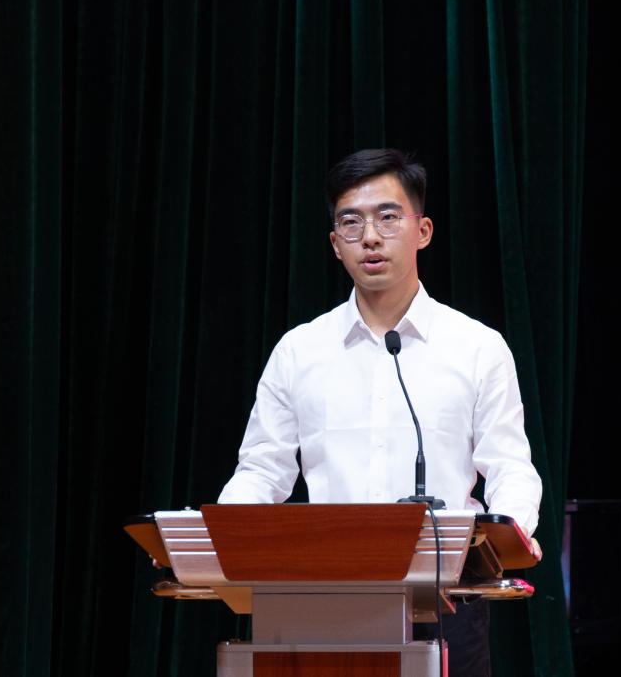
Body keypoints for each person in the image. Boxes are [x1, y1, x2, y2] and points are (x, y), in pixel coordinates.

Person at [218, 148, 543, 676]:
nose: (370, 236)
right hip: (322, 596)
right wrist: (213, 540)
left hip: (446, 602)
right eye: (351, 223)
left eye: (388, 217)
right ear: (335, 244)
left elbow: (509, 466)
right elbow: (261, 471)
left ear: (423, 231)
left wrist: (511, 535)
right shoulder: (299, 351)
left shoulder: (477, 347)